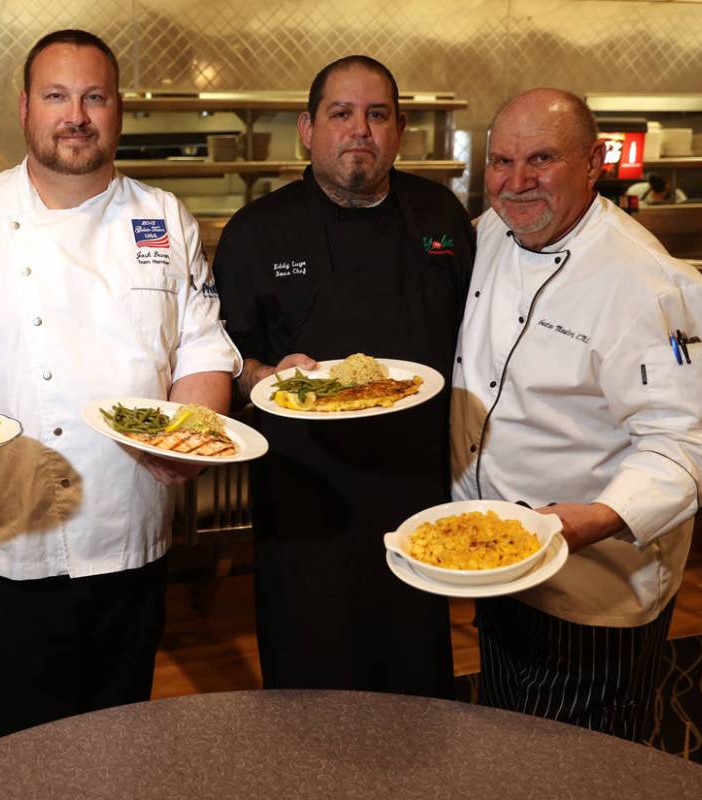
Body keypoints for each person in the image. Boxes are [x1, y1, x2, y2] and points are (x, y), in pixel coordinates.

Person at [0, 29, 240, 746]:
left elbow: (203, 350)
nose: (76, 116)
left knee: (119, 741)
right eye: (57, 97)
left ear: (119, 109)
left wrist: (191, 438)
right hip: (7, 536)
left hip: (132, 533)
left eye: (94, 97)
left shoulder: (163, 217)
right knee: (8, 752)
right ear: (25, 108)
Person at [451, 88, 702, 741]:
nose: (516, 183)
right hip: (495, 560)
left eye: (541, 159)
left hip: (595, 585)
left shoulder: (649, 286)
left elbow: (689, 448)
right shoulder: (490, 234)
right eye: (501, 162)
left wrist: (594, 521)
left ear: (594, 162)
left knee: (583, 760)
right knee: (503, 728)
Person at [211, 56, 474, 695]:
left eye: (376, 115)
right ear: (307, 128)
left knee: (417, 671)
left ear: (399, 128)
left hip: (417, 486)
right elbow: (225, 356)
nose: (360, 129)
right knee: (312, 679)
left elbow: (477, 337)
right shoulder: (256, 232)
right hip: (306, 497)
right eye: (341, 113)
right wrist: (267, 373)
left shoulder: (441, 216)